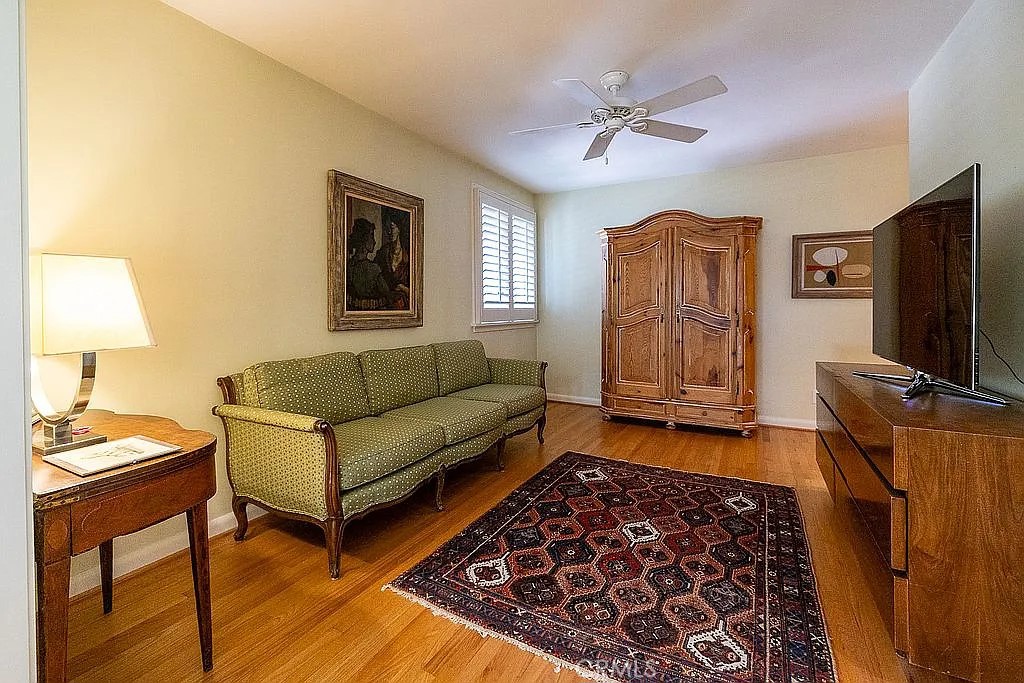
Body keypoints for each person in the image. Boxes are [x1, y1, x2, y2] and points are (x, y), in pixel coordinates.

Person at [346, 218, 392, 310]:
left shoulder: (348, 265)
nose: (374, 241)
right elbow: (387, 294)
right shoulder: (373, 269)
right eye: (372, 236)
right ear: (364, 238)